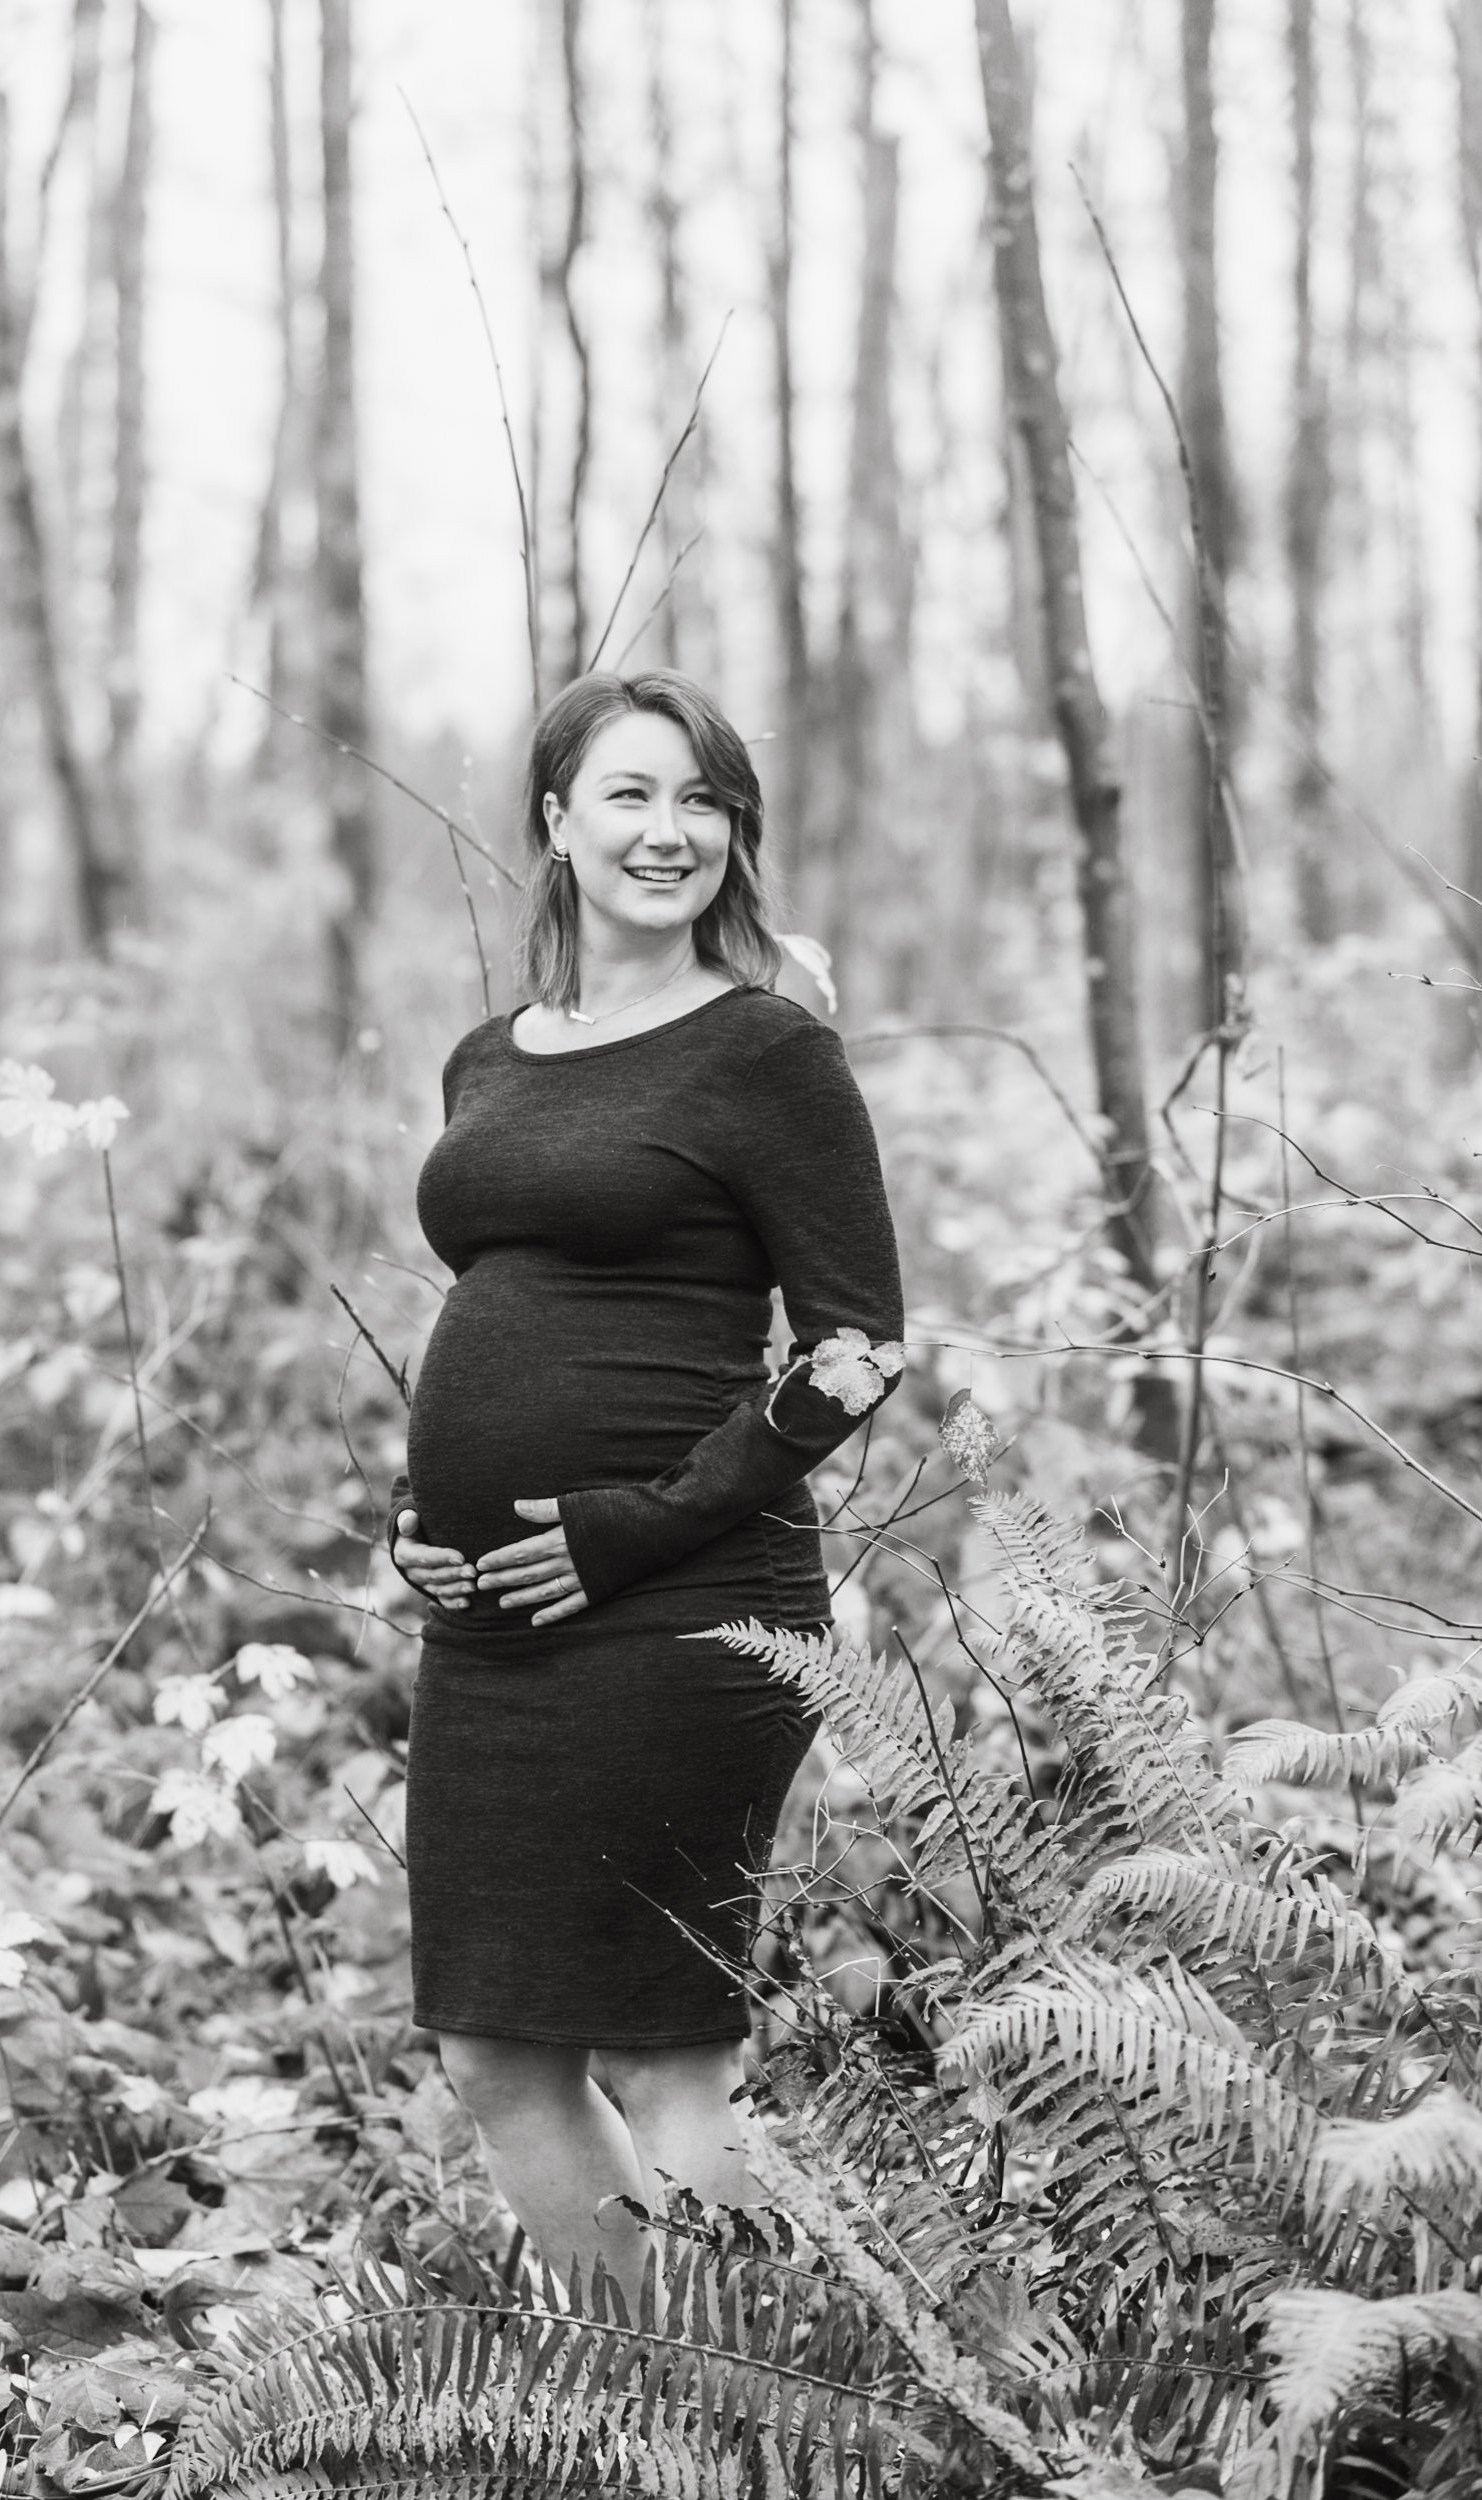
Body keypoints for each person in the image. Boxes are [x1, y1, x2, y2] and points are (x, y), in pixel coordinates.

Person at [386, 669, 904, 2306]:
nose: (666, 831)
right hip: (498, 1628)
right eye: (627, 793)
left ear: (734, 835)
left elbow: (855, 1351)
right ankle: (653, 2414)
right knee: (492, 2046)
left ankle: (778, 2416)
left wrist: (627, 1529)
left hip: (685, 1599)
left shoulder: (764, 1054)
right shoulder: (492, 1057)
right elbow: (514, 1317)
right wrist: (431, 1522)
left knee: (666, 2055)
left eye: (700, 801)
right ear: (553, 821)